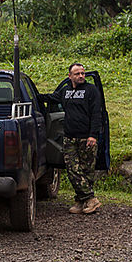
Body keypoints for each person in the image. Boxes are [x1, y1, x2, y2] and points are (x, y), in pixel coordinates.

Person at [44, 62, 103, 214]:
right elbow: (51, 98)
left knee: (86, 171)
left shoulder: (91, 90)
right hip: (70, 137)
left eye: (83, 73)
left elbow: (97, 113)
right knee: (72, 169)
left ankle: (81, 202)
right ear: (70, 76)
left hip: (87, 137)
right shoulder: (65, 91)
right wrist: (35, 97)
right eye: (77, 74)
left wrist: (93, 135)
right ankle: (90, 199)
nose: (81, 76)